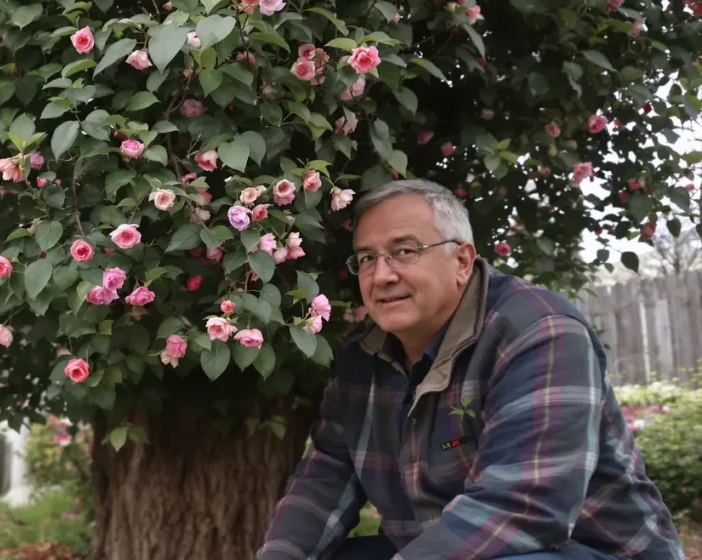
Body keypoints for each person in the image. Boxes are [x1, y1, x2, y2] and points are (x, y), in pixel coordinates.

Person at [256, 180, 684, 560]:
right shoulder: (360, 356)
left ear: (462, 260)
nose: (381, 275)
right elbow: (324, 480)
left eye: (404, 251)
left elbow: (526, 506)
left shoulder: (538, 332)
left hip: (580, 549)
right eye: (367, 258)